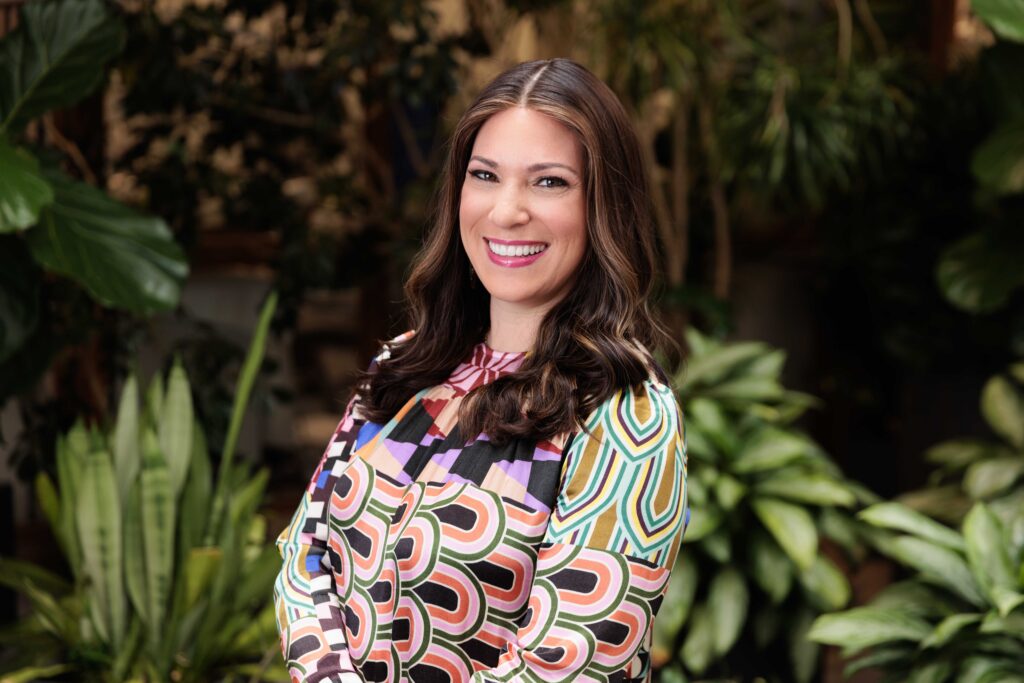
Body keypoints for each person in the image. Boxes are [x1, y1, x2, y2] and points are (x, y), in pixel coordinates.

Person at [274, 58, 689, 683]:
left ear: (604, 207)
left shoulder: (626, 414)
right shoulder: (406, 366)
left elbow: (567, 666)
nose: (507, 211)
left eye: (549, 182)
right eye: (485, 175)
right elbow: (304, 558)